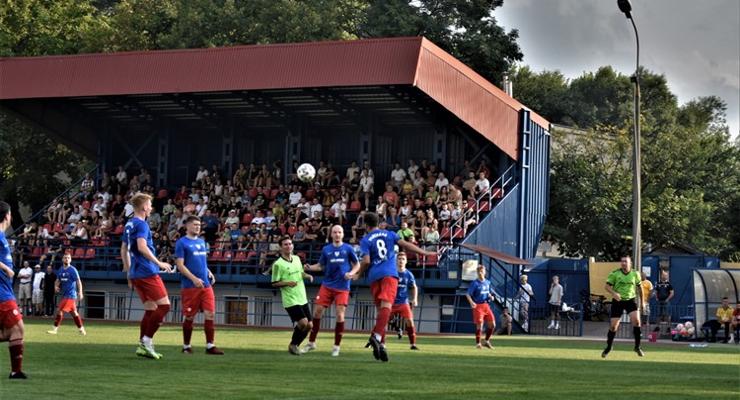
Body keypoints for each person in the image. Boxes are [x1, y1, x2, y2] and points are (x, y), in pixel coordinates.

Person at [352, 211, 435, 362]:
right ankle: (376, 337)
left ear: (366, 225)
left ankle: (382, 345)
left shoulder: (365, 239)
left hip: (374, 277)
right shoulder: (389, 234)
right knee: (386, 308)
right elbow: (406, 245)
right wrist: (423, 252)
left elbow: (366, 261)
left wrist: (358, 274)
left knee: (381, 312)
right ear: (379, 223)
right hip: (389, 275)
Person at [121, 192, 174, 360]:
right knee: (165, 306)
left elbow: (124, 249)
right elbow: (142, 247)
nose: (151, 208)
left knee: (150, 309)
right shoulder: (142, 224)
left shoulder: (129, 224)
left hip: (136, 272)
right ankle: (147, 341)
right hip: (147, 271)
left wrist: (129, 271)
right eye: (150, 205)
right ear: (144, 207)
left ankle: (142, 346)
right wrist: (160, 263)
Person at [302, 225, 360, 357]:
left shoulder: (348, 248)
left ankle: (336, 346)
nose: (337, 234)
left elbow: (357, 265)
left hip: (342, 287)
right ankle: (311, 343)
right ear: (331, 234)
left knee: (340, 315)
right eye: (335, 232)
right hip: (327, 285)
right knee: (317, 312)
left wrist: (351, 273)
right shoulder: (326, 249)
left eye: (339, 232)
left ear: (343, 234)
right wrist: (310, 267)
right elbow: (321, 266)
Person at [175, 216, 223, 355]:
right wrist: (194, 279)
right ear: (187, 226)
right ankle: (186, 346)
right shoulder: (181, 243)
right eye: (195, 225)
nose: (198, 227)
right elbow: (180, 265)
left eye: (199, 225)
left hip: (206, 285)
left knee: (210, 314)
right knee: (189, 317)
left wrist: (208, 272)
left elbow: (202, 262)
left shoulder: (202, 242)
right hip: (190, 286)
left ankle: (210, 346)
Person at [271, 236, 314, 355]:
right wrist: (287, 283)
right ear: (280, 247)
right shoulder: (278, 264)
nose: (288, 246)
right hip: (290, 299)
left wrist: (308, 276)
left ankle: (294, 345)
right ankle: (293, 345)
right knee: (303, 323)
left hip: (301, 296)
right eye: (285, 244)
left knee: (310, 325)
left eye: (290, 244)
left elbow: (300, 273)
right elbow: (274, 283)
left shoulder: (296, 259)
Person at [0, 201, 27, 379]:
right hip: (2, 294)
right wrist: (6, 268)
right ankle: (16, 371)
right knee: (18, 328)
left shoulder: (2, 236)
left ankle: (16, 371)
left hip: (5, 291)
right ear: (7, 216)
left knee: (9, 332)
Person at [601, 256, 643, 358]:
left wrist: (643, 302)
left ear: (630, 263)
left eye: (626, 261)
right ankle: (609, 347)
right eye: (622, 261)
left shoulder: (635, 274)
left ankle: (637, 347)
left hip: (630, 300)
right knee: (613, 326)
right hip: (618, 301)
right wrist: (614, 293)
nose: (623, 263)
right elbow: (607, 286)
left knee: (637, 322)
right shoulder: (615, 274)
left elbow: (640, 287)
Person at [46, 253, 86, 336]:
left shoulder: (73, 270)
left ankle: (55, 329)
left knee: (59, 310)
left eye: (68, 258)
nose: (67, 259)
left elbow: (78, 281)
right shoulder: (60, 269)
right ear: (62, 259)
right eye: (65, 258)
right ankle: (81, 330)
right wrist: (55, 286)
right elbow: (57, 280)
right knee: (74, 313)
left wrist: (80, 292)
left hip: (71, 295)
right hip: (64, 295)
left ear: (70, 260)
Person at [388, 251, 419, 350]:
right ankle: (379, 341)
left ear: (406, 261)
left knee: (410, 321)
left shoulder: (408, 274)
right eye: (399, 259)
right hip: (391, 302)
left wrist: (414, 299)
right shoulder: (391, 272)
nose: (401, 261)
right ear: (396, 261)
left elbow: (414, 287)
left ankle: (413, 344)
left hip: (403, 302)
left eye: (403, 259)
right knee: (383, 320)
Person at [466, 265, 496, 349]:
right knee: (480, 325)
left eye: (482, 271)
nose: (480, 273)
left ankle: (486, 341)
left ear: (485, 272)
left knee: (493, 324)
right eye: (479, 271)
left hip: (486, 305)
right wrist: (471, 302)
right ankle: (478, 344)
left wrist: (491, 296)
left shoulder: (488, 282)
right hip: (478, 306)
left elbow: (488, 292)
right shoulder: (474, 283)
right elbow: (468, 294)